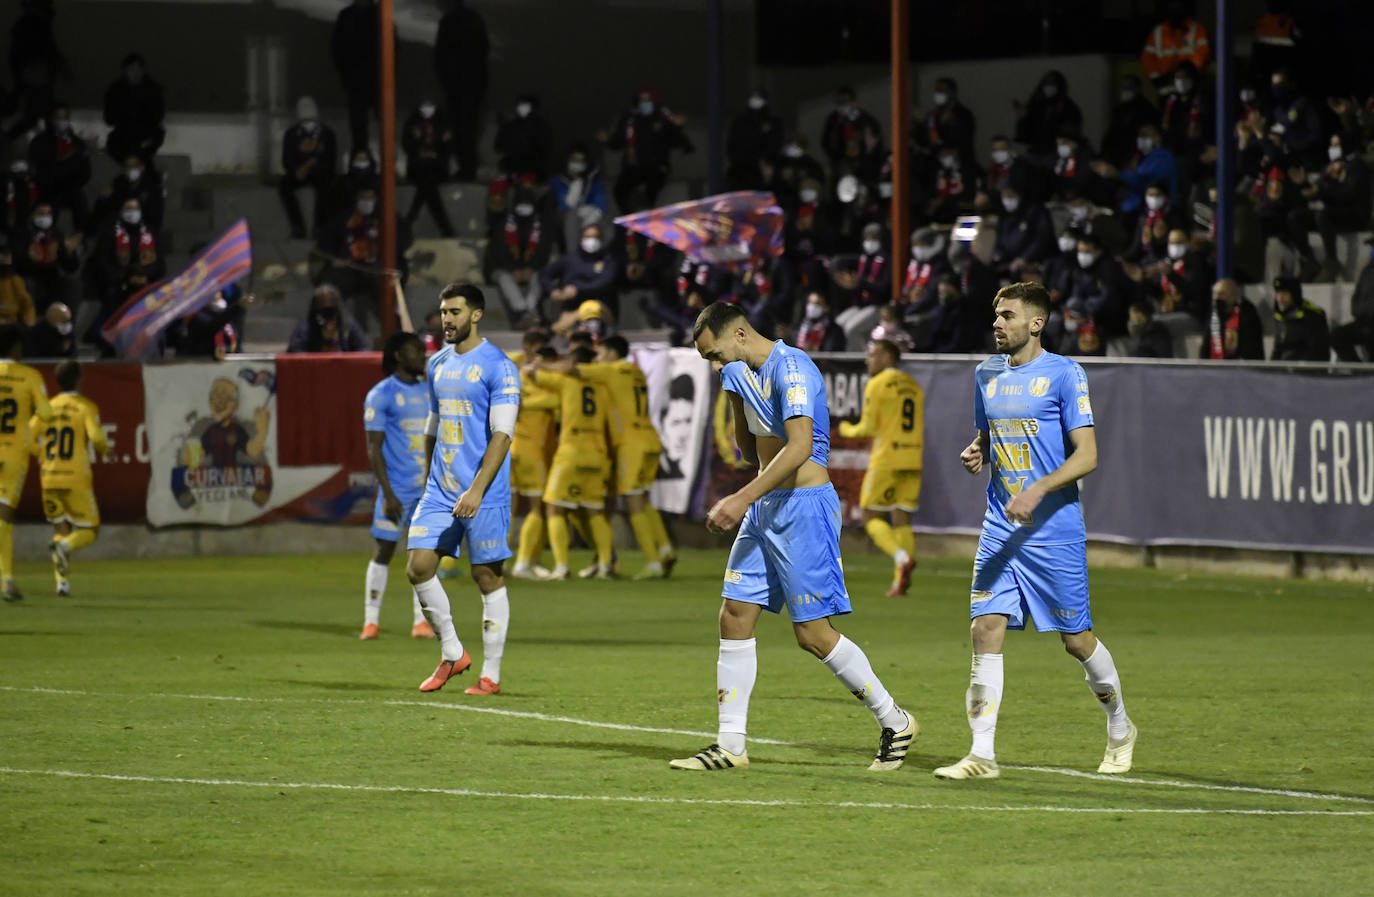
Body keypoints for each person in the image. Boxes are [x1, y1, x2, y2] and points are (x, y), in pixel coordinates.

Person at [671, 302, 918, 772]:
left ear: (740, 333)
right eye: (709, 361)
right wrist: (734, 395)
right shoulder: (737, 374)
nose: (716, 365)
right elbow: (749, 449)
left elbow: (801, 446)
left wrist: (740, 498)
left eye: (716, 355)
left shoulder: (794, 367)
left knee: (812, 634)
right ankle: (730, 746)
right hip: (766, 507)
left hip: (804, 509)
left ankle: (895, 719)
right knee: (735, 615)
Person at [933, 281, 1136, 781]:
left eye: (1007, 315)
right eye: (995, 314)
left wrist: (1038, 490)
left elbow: (1087, 455)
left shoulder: (1066, 374)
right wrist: (978, 448)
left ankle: (1120, 725)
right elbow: (989, 429)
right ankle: (982, 754)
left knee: (1076, 640)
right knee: (985, 627)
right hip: (1000, 527)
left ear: (1036, 323)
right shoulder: (986, 373)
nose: (997, 323)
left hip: (1053, 531)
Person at [405, 283, 520, 696]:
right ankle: (453, 652)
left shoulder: (500, 367)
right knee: (418, 567)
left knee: (486, 575)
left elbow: (503, 435)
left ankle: (491, 675)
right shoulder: (436, 364)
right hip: (440, 488)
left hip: (484, 491)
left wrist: (475, 490)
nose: (446, 320)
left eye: (454, 312)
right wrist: (428, 477)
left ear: (476, 314)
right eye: (443, 312)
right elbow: (433, 425)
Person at [565, 334, 675, 579]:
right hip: (650, 438)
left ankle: (653, 562)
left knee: (634, 501)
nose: (599, 359)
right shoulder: (636, 372)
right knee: (644, 499)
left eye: (602, 353)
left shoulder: (611, 370)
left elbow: (572, 369)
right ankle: (665, 549)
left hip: (631, 444)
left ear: (613, 354)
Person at [360, 331, 436, 640]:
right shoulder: (381, 394)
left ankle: (420, 622)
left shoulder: (428, 392)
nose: (422, 356)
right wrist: (388, 494)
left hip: (426, 489)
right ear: (398, 356)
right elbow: (374, 448)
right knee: (385, 550)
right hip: (397, 490)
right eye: (416, 351)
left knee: (423, 555)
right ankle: (371, 621)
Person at [838, 339, 923, 596]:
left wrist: (845, 429)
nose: (868, 360)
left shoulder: (877, 384)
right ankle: (900, 580)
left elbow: (867, 428)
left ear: (888, 358)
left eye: (873, 355)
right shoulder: (914, 386)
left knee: (870, 515)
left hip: (887, 458)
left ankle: (900, 558)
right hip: (913, 458)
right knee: (902, 518)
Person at [525, 346, 615, 581]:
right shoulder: (604, 388)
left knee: (554, 507)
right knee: (595, 511)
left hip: (571, 452)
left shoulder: (565, 382)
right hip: (597, 453)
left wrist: (537, 365)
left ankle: (562, 567)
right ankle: (605, 566)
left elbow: (533, 374)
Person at [31, 360, 108, 597]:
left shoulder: (48, 407)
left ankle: (61, 584)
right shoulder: (86, 407)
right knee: (90, 530)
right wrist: (105, 450)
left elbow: (27, 438)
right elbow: (96, 439)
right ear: (79, 379)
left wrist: (42, 456)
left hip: (50, 478)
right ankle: (65, 547)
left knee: (60, 528)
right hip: (75, 479)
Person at [0, 323, 52, 601]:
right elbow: (45, 412)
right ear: (16, 347)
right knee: (3, 518)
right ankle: (6, 580)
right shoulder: (29, 376)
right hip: (12, 454)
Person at [509, 339, 560, 581]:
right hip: (531, 452)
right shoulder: (551, 389)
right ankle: (523, 563)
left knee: (506, 508)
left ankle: (497, 562)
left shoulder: (517, 378)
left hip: (509, 450)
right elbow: (559, 404)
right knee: (538, 508)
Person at [603, 89, 694, 212]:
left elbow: (676, 138)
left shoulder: (663, 117)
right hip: (634, 165)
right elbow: (618, 141)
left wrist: (681, 132)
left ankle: (647, 221)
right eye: (641, 100)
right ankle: (629, 222)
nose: (644, 103)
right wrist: (607, 140)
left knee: (650, 193)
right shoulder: (630, 118)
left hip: (657, 166)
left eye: (648, 99)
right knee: (620, 190)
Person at [433, 0, 489, 181]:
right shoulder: (473, 19)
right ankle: (467, 167)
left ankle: (465, 168)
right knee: (466, 129)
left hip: (458, 86)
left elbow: (440, 55)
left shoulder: (449, 22)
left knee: (460, 128)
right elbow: (483, 49)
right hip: (469, 85)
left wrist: (445, 78)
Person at [278, 97, 338, 240]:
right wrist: (296, 171)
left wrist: (313, 167)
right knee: (284, 186)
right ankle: (297, 227)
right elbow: (287, 159)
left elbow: (331, 159)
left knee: (326, 186)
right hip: (298, 173)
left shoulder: (327, 134)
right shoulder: (291, 133)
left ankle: (320, 227)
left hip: (320, 172)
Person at [1315, 133, 1372, 281]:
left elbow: (1346, 195)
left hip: (1356, 216)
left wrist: (1326, 187)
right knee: (1297, 217)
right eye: (1332, 145)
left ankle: (1331, 261)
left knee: (1324, 215)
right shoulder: (1330, 167)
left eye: (1336, 145)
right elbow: (1321, 188)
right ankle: (1308, 260)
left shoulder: (1356, 166)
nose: (1333, 149)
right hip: (1337, 212)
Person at [27, 104, 92, 232]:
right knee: (49, 204)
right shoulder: (39, 142)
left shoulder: (77, 143)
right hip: (47, 187)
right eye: (58, 117)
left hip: (71, 187)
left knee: (80, 201)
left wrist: (74, 183)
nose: (62, 121)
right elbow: (38, 170)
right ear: (51, 119)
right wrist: (61, 160)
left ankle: (80, 239)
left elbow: (85, 171)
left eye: (65, 117)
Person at [331, 0, 385, 151]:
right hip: (358, 80)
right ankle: (361, 163)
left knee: (382, 124)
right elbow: (338, 49)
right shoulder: (347, 16)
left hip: (376, 80)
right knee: (358, 126)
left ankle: (385, 163)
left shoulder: (379, 13)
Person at [13, 199, 82, 309]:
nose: (45, 217)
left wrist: (69, 252)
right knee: (28, 284)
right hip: (29, 275)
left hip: (51, 277)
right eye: (41, 213)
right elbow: (15, 262)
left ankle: (62, 319)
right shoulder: (22, 233)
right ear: (32, 214)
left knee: (73, 285)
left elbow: (70, 267)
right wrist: (30, 259)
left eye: (48, 213)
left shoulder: (56, 233)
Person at [102, 53, 165, 162]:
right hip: (123, 134)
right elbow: (109, 119)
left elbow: (157, 117)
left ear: (143, 70)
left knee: (151, 140)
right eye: (131, 69)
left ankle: (141, 169)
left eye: (138, 69)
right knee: (115, 145)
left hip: (146, 134)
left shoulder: (152, 89)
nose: (135, 73)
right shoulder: (115, 90)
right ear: (125, 71)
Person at [1141, 0, 1211, 95]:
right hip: (1165, 85)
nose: (1176, 9)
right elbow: (1147, 58)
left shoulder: (1196, 29)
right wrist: (1157, 78)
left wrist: (1190, 74)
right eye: (1172, 6)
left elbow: (1203, 54)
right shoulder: (1158, 31)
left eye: (1179, 6)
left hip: (1190, 85)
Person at [726, 89, 784, 190]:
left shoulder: (773, 122)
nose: (755, 100)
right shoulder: (739, 122)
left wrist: (765, 162)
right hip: (739, 172)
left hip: (761, 171)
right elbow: (732, 146)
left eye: (758, 97)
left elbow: (775, 145)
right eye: (753, 97)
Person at [286, 284, 369, 353]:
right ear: (314, 307)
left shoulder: (348, 326)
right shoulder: (305, 329)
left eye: (331, 309)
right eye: (323, 309)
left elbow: (365, 350)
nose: (327, 314)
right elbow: (294, 353)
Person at [493, 95, 554, 182]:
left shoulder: (542, 128)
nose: (522, 108)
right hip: (510, 167)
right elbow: (498, 147)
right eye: (520, 104)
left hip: (532, 170)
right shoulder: (509, 126)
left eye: (526, 105)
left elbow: (544, 151)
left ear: (535, 108)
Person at [1332, 238, 1374, 362]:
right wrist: (1358, 312)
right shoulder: (1367, 270)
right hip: (1364, 321)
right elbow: (1357, 295)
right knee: (1337, 336)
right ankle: (1358, 371)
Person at [1270, 276, 1330, 361]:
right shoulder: (1279, 316)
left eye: (1285, 293)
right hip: (1285, 369)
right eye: (1278, 293)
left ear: (1295, 294)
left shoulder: (1313, 316)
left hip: (1305, 371)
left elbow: (1318, 352)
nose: (1280, 298)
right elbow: (1278, 348)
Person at [1203, 278, 1264, 360]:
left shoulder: (1247, 312)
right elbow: (1206, 346)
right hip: (1218, 367)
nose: (1217, 298)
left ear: (1233, 296)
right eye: (1215, 294)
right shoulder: (1214, 313)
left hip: (1245, 366)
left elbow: (1251, 349)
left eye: (1221, 294)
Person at [0, 244, 36, 328]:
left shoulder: (15, 280)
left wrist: (28, 325)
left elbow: (27, 305)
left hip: (11, 325)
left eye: (6, 259)